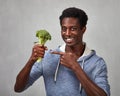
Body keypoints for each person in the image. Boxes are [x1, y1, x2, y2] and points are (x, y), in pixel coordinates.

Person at [14, 7, 110, 96]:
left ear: (83, 30)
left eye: (73, 29)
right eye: (64, 29)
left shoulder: (97, 63)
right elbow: (18, 88)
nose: (67, 33)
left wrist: (75, 67)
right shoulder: (48, 57)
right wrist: (31, 61)